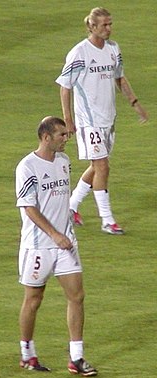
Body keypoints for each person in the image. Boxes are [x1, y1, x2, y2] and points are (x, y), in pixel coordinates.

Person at [15, 116, 97, 376]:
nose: (67, 138)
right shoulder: (27, 167)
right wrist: (54, 234)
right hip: (38, 246)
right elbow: (29, 208)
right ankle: (27, 354)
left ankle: (77, 358)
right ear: (46, 137)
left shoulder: (64, 162)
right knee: (34, 300)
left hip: (66, 244)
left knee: (77, 296)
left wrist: (66, 233)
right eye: (61, 134)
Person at [56, 7, 148, 234]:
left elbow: (120, 78)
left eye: (110, 24)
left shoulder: (113, 49)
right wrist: (68, 120)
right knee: (102, 166)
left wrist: (135, 104)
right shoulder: (79, 53)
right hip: (89, 120)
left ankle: (70, 206)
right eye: (104, 25)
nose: (109, 28)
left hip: (109, 119)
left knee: (97, 166)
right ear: (92, 26)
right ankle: (107, 220)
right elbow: (65, 86)